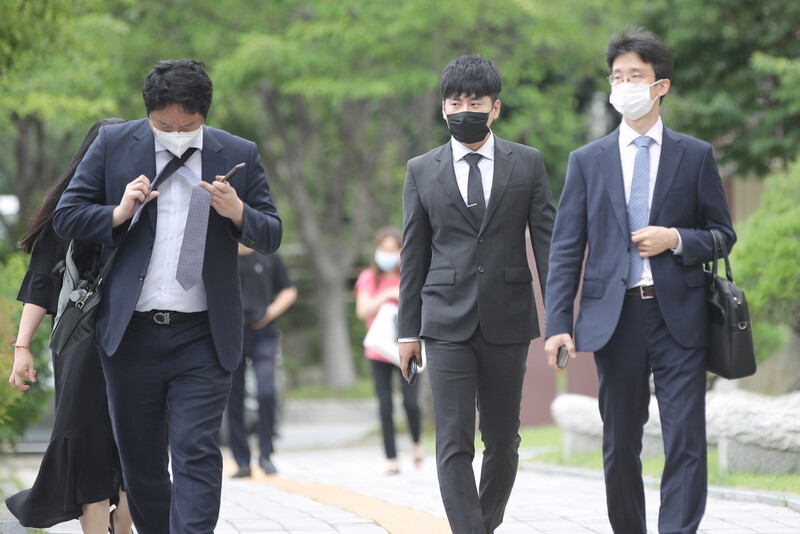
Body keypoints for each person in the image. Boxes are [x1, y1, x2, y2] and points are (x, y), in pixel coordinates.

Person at [53, 59, 282, 534]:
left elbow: (272, 233)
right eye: (164, 126)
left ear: (204, 115)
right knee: (141, 463)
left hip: (203, 332)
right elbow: (66, 216)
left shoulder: (237, 152)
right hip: (131, 333)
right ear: (148, 114)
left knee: (196, 449)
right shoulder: (114, 144)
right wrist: (117, 212)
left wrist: (238, 211)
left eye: (188, 125)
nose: (177, 133)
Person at [544, 27, 736, 534]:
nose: (624, 84)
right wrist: (557, 323)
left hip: (681, 316)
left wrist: (675, 238)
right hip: (616, 316)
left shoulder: (694, 155)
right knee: (620, 442)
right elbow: (565, 249)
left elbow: (723, 235)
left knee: (685, 439)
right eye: (617, 76)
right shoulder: (586, 161)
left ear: (661, 86)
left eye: (636, 76)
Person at [398, 54, 556, 533]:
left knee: (504, 440)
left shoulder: (526, 163)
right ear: (443, 108)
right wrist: (408, 332)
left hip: (508, 319)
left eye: (475, 101)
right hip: (444, 320)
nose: (464, 109)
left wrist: (561, 320)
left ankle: (482, 524)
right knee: (453, 441)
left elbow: (548, 243)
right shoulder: (421, 169)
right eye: (455, 101)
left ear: (495, 107)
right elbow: (413, 255)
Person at [6, 118, 134, 534]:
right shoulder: (68, 213)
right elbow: (41, 283)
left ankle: (128, 518)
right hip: (81, 342)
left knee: (143, 437)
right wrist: (21, 348)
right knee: (85, 440)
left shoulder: (147, 205)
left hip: (141, 338)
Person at [355, 227, 423, 476]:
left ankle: (416, 445)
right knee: (385, 405)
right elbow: (362, 311)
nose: (387, 255)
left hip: (410, 349)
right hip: (379, 351)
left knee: (411, 403)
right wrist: (387, 294)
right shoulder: (368, 278)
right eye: (383, 250)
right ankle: (392, 458)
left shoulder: (412, 275)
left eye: (392, 250)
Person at [227, 246, 297, 478]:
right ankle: (242, 461)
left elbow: (289, 290)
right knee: (233, 395)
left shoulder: (268, 254)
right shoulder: (222, 253)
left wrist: (270, 312)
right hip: (232, 334)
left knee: (266, 391)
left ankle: (266, 454)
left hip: (264, 334)